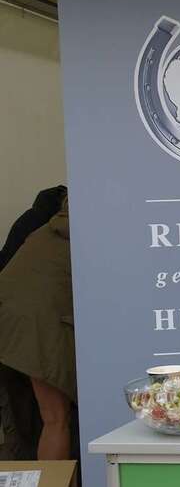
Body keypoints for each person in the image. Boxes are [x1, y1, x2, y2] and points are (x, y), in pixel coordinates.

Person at [0, 196, 75, 460]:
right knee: (56, 419)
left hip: (12, 321)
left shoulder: (47, 228)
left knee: (33, 422)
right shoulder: (91, 236)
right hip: (33, 324)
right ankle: (53, 478)